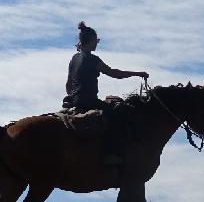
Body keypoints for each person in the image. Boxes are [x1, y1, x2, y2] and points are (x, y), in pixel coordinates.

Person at [63, 21, 149, 164]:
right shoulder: (92, 59)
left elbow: (68, 84)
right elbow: (114, 73)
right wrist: (137, 73)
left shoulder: (74, 58)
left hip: (73, 100)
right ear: (90, 41)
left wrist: (73, 98)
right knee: (117, 115)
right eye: (96, 41)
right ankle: (111, 154)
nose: (97, 44)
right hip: (89, 100)